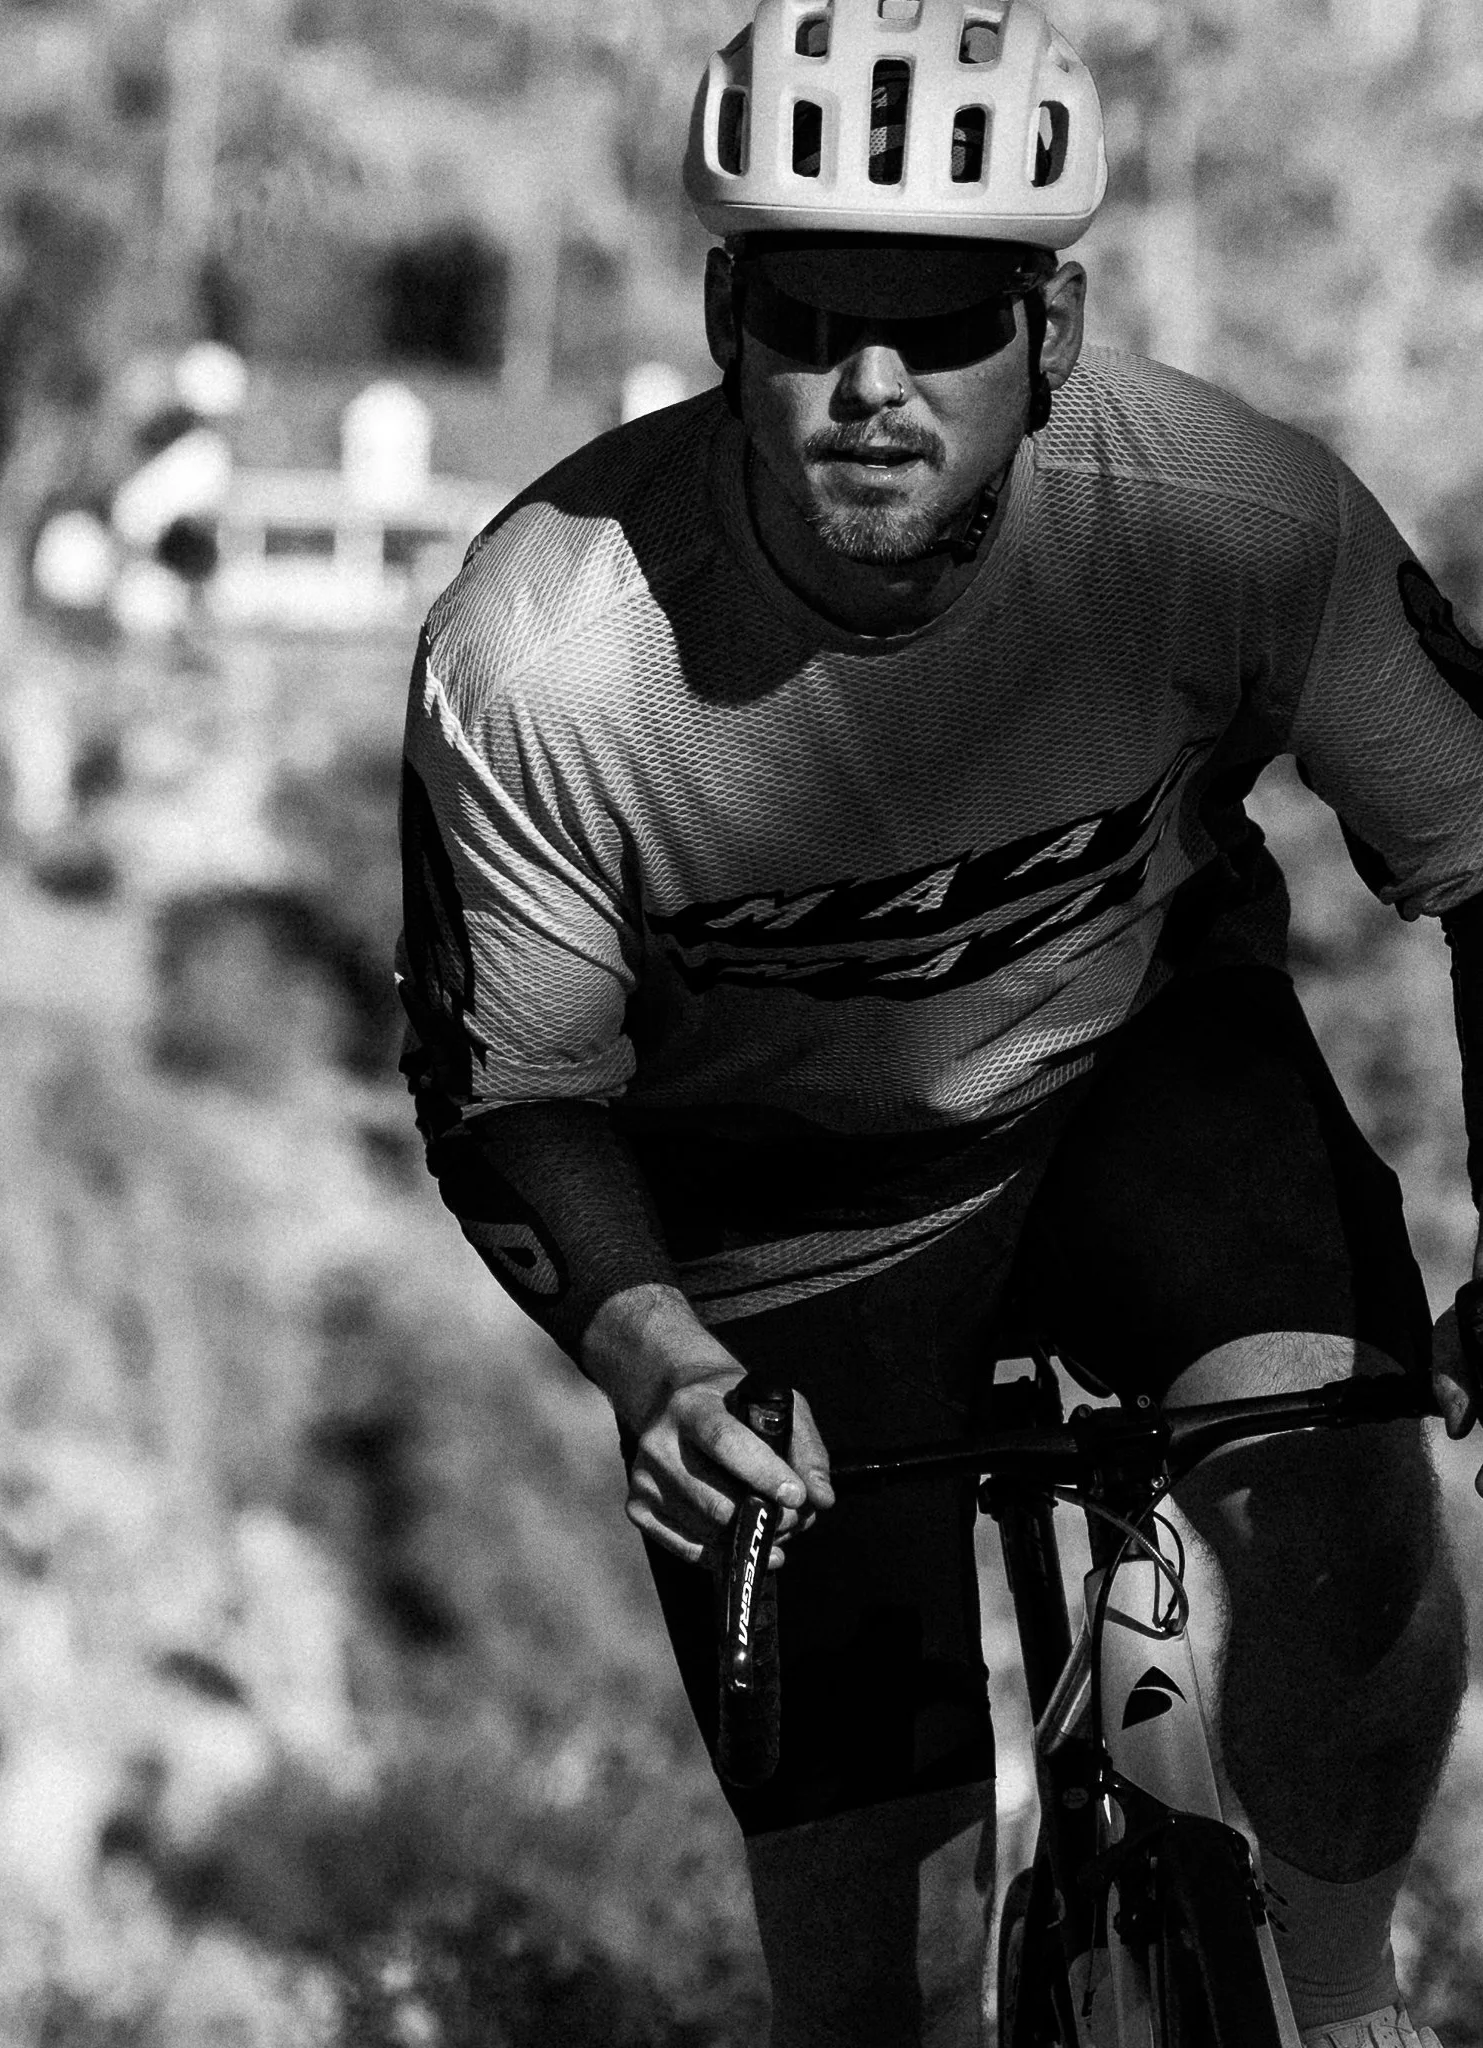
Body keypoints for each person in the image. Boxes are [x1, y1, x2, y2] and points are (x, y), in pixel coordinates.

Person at [395, 2, 1483, 2040]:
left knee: (1343, 1504)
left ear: (1049, 331)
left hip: (1135, 1076)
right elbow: (511, 1092)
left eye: (942, 328)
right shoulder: (543, 657)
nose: (871, 388)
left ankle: (1346, 2009)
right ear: (725, 315)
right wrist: (650, 1355)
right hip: (775, 1203)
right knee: (870, 1970)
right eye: (810, 322)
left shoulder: (1231, 520)